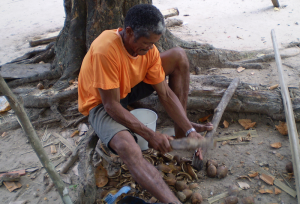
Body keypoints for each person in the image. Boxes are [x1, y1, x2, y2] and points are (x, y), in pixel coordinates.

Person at [78, 4, 213, 203]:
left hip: (126, 88)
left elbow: (165, 94)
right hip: (101, 101)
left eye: (153, 44)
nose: (150, 49)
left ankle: (179, 135)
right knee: (129, 148)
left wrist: (188, 130)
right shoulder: (105, 50)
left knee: (178, 56)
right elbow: (111, 106)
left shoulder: (147, 50)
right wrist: (150, 134)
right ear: (129, 32)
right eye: (146, 43)